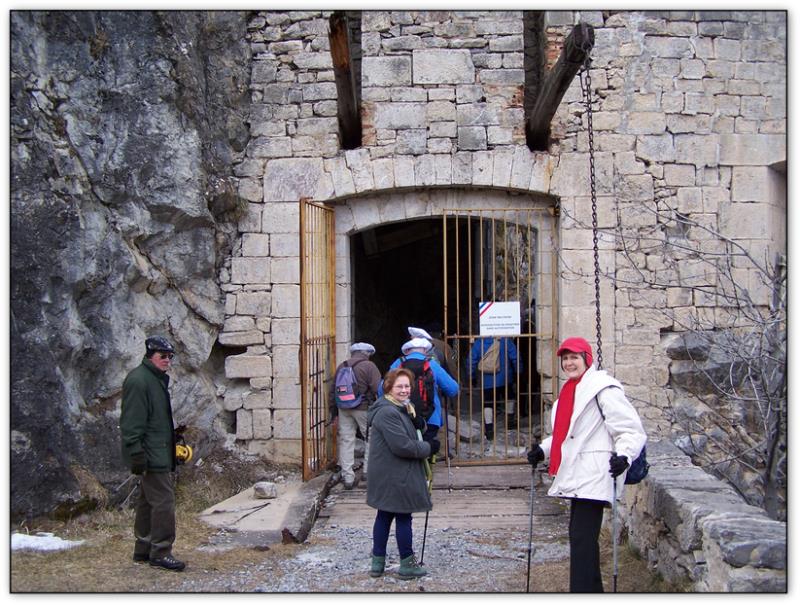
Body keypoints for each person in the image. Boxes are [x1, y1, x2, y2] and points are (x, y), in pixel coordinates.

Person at [526, 337, 646, 592]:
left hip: (594, 472)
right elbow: (566, 436)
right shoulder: (569, 393)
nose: (569, 363)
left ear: (586, 360)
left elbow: (629, 429)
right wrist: (542, 450)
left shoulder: (603, 389)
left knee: (582, 539)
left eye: (574, 358)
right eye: (565, 359)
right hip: (578, 473)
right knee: (580, 539)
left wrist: (624, 456)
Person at [120, 335, 186, 572]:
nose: (167, 360)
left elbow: (154, 420)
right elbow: (131, 422)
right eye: (163, 356)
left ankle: (143, 549)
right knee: (164, 502)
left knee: (148, 502)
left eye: (170, 356)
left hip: (158, 450)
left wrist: (172, 437)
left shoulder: (153, 379)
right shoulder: (139, 381)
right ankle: (161, 552)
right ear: (150, 356)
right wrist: (136, 452)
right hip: (150, 453)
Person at [366, 368, 439, 579]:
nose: (405, 390)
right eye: (400, 386)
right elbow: (402, 446)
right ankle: (407, 564)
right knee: (403, 516)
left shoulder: (403, 408)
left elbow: (413, 431)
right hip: (394, 473)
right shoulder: (388, 412)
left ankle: (377, 564)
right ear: (389, 387)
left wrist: (419, 423)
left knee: (384, 515)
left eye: (407, 386)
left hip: (390, 471)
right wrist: (428, 448)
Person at [381, 337, 459, 445]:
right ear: (425, 350)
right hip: (430, 418)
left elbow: (382, 389)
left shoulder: (398, 364)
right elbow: (453, 389)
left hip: (401, 417)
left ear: (407, 351)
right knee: (425, 448)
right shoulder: (431, 364)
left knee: (404, 448)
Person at [329, 342, 382, 489]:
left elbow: (333, 391)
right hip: (363, 408)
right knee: (370, 438)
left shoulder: (342, 366)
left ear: (353, 353)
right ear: (367, 354)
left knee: (346, 440)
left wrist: (334, 413)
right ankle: (367, 472)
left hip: (343, 408)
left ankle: (347, 477)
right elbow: (378, 388)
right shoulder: (369, 366)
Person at [468, 336, 518, 440]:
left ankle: (489, 429)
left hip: (487, 380)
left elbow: (471, 359)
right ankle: (509, 422)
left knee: (488, 403)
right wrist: (518, 372)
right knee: (509, 397)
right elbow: (515, 357)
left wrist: (471, 376)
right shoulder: (506, 340)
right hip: (505, 378)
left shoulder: (480, 342)